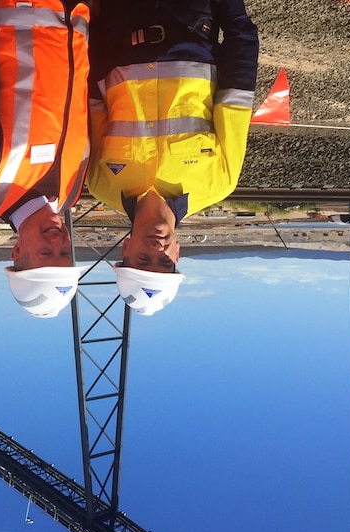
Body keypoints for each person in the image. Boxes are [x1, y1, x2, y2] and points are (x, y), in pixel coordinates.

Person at [85, 0, 259, 315]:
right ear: (178, 253)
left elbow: (93, 95)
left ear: (125, 249)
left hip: (119, 18)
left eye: (143, 260)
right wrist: (235, 18)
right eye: (165, 261)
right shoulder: (218, 182)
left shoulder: (99, 183)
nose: (156, 249)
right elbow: (237, 91)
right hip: (188, 16)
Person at [0, 0, 91, 318]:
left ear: (18, 251)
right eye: (65, 253)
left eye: (46, 253)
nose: (58, 242)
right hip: (75, 12)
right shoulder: (73, 189)